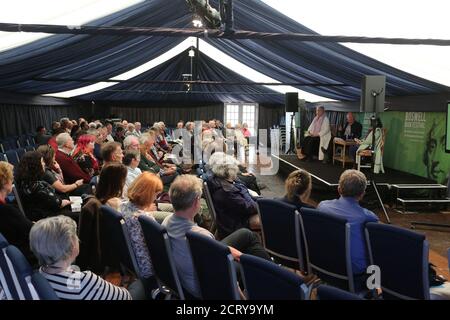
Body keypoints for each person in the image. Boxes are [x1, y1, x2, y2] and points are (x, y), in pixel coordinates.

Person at [162, 175, 271, 298]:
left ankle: (269, 270)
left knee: (245, 234)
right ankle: (271, 276)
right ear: (196, 202)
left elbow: (212, 251)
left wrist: (230, 251)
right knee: (246, 263)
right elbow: (223, 271)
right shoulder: (200, 236)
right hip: (203, 287)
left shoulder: (167, 221)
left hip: (188, 275)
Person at [30, 215, 144, 300]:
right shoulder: (85, 281)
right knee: (140, 285)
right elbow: (125, 297)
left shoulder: (39, 273)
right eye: (75, 236)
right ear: (71, 245)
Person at [317, 170, 378, 276]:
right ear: (362, 194)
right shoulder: (368, 218)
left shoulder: (322, 206)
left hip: (323, 264)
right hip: (354, 272)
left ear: (339, 189)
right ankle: (376, 291)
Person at [77, 163, 128, 272]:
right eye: (124, 180)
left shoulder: (95, 200)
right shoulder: (114, 205)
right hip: (112, 258)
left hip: (95, 260)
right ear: (118, 182)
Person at [119, 172, 165, 285]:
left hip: (131, 261)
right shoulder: (144, 219)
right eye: (156, 194)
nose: (155, 198)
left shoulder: (123, 205)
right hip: (149, 270)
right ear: (148, 194)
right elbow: (159, 247)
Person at [206, 152, 260, 239]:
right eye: (236, 168)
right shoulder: (227, 191)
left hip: (234, 217)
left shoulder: (219, 181)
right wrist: (261, 203)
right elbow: (250, 207)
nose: (237, 171)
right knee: (268, 217)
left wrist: (258, 199)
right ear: (231, 171)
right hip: (236, 223)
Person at [16, 151, 72, 221]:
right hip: (47, 218)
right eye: (42, 162)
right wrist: (66, 202)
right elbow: (58, 203)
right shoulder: (35, 186)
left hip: (44, 212)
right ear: (35, 165)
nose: (44, 164)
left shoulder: (25, 180)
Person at [0, 161, 35, 263]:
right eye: (11, 178)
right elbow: (32, 231)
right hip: (25, 255)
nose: (13, 181)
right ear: (5, 183)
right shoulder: (7, 210)